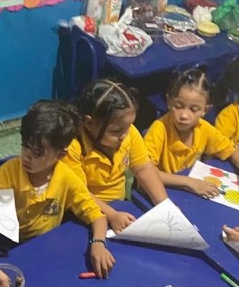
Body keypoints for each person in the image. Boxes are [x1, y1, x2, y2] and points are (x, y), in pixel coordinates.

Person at [0, 100, 116, 277]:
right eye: (25, 146)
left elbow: (96, 216)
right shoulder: (6, 175)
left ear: (61, 154)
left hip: (42, 244)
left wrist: (98, 243)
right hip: (4, 243)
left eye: (38, 153)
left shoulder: (66, 178)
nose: (27, 157)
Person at [142, 68, 239, 199]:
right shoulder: (159, 129)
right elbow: (147, 173)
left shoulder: (204, 129)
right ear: (169, 102)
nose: (184, 115)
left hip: (186, 192)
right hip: (160, 192)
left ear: (205, 110)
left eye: (193, 109)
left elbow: (232, 150)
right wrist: (189, 182)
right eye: (178, 106)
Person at [62, 79, 169, 233]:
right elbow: (79, 193)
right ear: (89, 123)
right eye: (116, 131)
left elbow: (144, 168)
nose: (125, 135)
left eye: (129, 126)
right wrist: (111, 215)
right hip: (83, 215)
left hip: (119, 208)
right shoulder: (73, 147)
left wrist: (164, 205)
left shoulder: (128, 133)